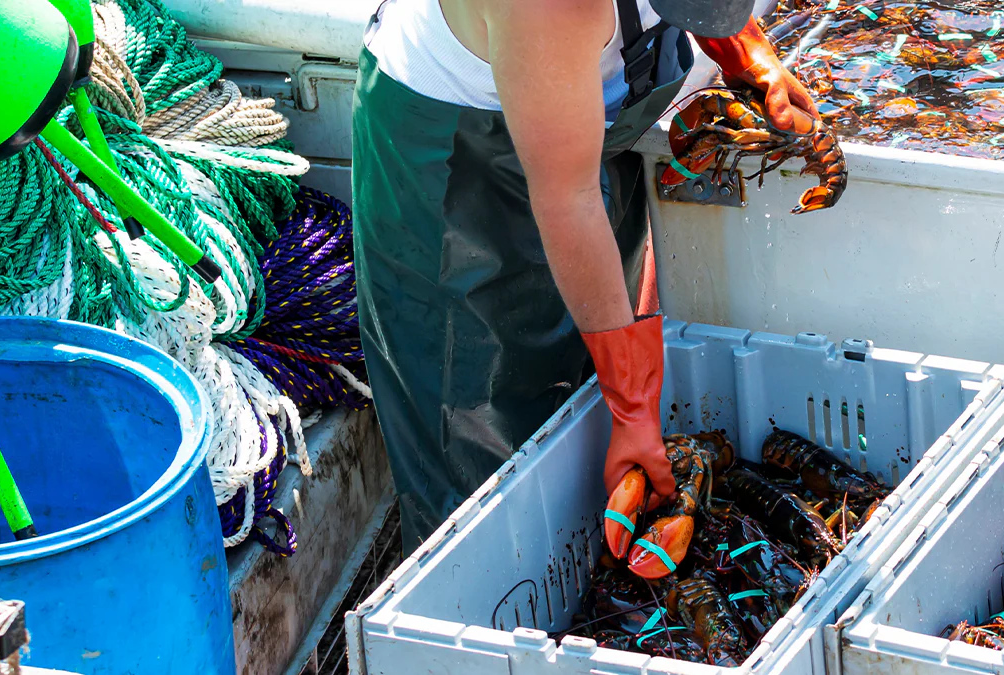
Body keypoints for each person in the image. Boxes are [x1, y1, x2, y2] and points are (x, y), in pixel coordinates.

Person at [352, 0, 821, 549]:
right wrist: (632, 406)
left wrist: (745, 50)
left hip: (579, 106)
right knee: (477, 439)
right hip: (452, 159)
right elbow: (568, 199)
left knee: (587, 367)